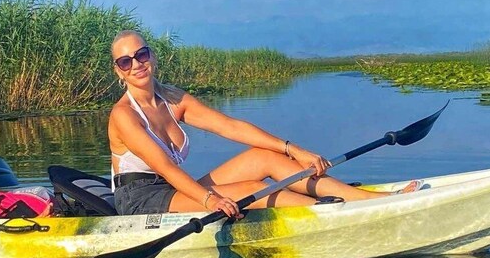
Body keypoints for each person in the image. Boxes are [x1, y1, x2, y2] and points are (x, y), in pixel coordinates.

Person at [108, 31, 414, 217]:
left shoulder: (174, 98)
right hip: (141, 199)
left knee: (264, 157)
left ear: (152, 56)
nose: (136, 64)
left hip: (174, 188)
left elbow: (231, 126)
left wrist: (295, 150)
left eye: (141, 54)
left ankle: (373, 201)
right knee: (255, 189)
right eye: (126, 61)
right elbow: (166, 168)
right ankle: (328, 212)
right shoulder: (124, 115)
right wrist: (211, 199)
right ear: (119, 71)